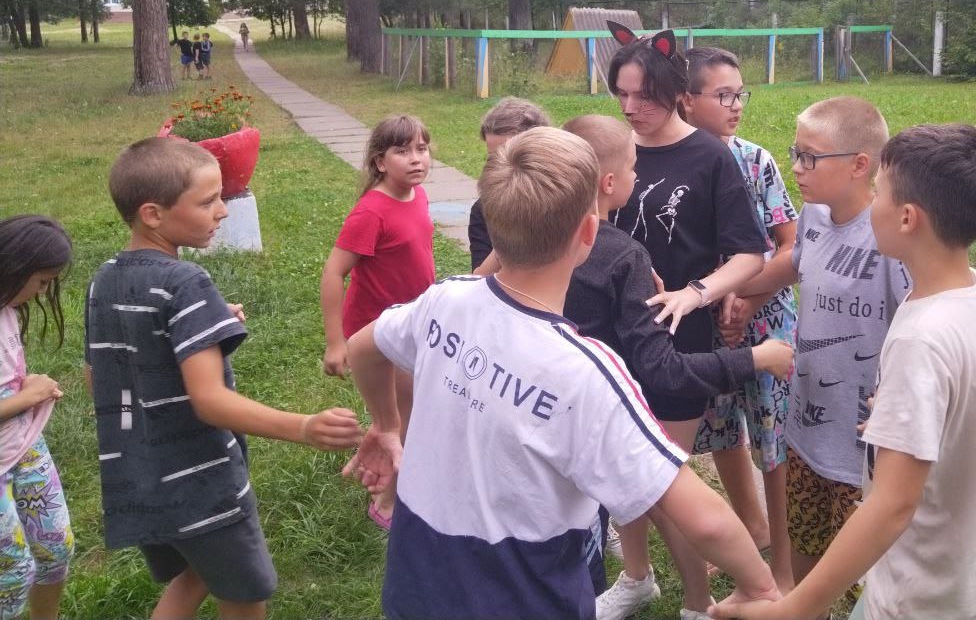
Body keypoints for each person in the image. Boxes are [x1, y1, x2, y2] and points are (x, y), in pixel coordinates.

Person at [343, 128, 781, 620]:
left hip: (417, 581)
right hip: (530, 594)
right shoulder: (584, 373)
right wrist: (761, 587)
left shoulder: (444, 300)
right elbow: (703, 518)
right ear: (589, 233)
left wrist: (386, 424)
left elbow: (363, 349)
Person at [714, 124, 976, 620]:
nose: (873, 207)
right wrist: (915, 427)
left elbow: (891, 506)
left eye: (881, 193)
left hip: (920, 596)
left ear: (907, 218)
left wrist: (792, 609)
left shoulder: (918, 340)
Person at [86, 137, 362, 620]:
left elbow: (102, 377)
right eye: (208, 201)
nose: (223, 211)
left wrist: (203, 326)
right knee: (243, 594)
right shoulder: (185, 282)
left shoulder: (104, 279)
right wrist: (303, 427)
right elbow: (209, 401)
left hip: (141, 472)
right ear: (153, 214)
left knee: (195, 574)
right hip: (200, 478)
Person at [560, 114, 794, 602]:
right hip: (638, 388)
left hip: (590, 406)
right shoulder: (623, 256)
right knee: (667, 494)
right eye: (633, 166)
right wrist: (757, 357)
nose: (640, 174)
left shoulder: (556, 242)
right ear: (609, 183)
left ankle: (679, 594)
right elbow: (664, 369)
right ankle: (718, 598)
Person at [600, 23, 765, 620]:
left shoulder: (710, 156)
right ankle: (637, 577)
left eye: (643, 95)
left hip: (678, 339)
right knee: (617, 467)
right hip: (608, 332)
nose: (630, 108)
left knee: (662, 481)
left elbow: (749, 253)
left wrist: (695, 295)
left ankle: (700, 603)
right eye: (621, 93)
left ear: (675, 91)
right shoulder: (613, 147)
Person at [731, 96, 910, 600]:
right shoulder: (813, 215)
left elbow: (919, 324)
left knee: (858, 584)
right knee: (805, 559)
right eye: (796, 153)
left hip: (863, 451)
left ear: (860, 165)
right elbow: (793, 266)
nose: (796, 167)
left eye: (810, 157)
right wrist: (728, 290)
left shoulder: (892, 238)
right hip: (806, 431)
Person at [680, 47, 798, 588]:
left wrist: (747, 298)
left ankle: (785, 557)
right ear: (686, 100)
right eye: (723, 95)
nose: (736, 105)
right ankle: (753, 524)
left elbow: (790, 246)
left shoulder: (755, 160)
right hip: (704, 321)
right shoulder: (677, 166)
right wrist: (716, 302)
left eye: (739, 93)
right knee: (722, 425)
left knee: (773, 435)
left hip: (767, 318)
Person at [320, 115, 435, 529]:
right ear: (380, 162)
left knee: (407, 411)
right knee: (402, 417)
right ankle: (386, 502)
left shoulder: (418, 196)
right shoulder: (371, 212)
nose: (416, 159)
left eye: (421, 149)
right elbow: (334, 272)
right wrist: (336, 342)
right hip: (377, 334)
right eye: (402, 151)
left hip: (411, 322)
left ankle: (392, 476)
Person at [0, 216, 75, 620]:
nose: (43, 292)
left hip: (23, 447)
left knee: (55, 549)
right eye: (42, 281)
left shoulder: (8, 310)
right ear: (15, 267)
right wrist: (28, 397)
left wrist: (25, 387)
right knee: (11, 573)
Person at [469, 98, 550, 273]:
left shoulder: (570, 197)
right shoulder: (484, 210)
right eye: (493, 156)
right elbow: (478, 278)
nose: (500, 164)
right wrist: (508, 243)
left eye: (511, 153)